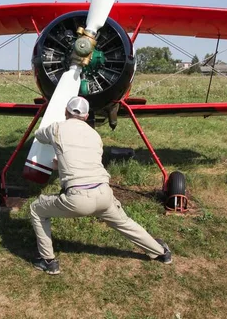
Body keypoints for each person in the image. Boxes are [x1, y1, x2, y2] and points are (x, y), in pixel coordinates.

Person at [30, 96, 172, 275]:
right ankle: (161, 252)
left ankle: (47, 260)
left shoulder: (57, 128)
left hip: (77, 198)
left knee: (36, 209)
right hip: (104, 193)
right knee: (124, 223)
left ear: (66, 111)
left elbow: (39, 136)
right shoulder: (95, 135)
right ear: (87, 115)